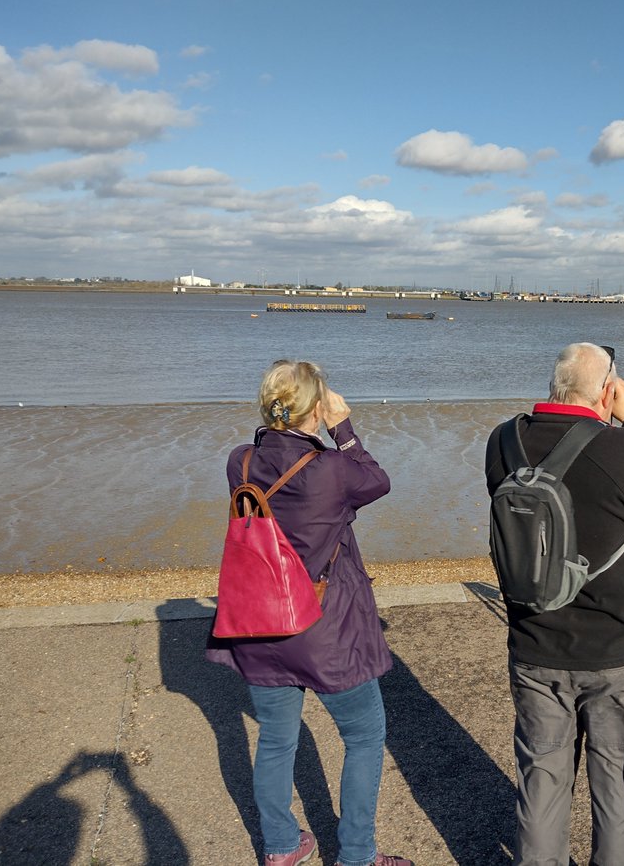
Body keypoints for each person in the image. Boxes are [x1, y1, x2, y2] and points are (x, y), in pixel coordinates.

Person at [484, 343, 624, 865]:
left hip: (535, 644)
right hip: (616, 653)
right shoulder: (620, 449)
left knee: (541, 781)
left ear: (554, 386)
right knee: (622, 787)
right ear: (606, 391)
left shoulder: (503, 441)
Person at [206, 360, 412, 866]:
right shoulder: (334, 470)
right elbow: (377, 480)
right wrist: (342, 427)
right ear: (316, 407)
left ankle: (280, 847)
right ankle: (357, 855)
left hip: (260, 623)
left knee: (276, 738)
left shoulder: (241, 463)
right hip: (327, 629)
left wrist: (316, 417)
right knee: (364, 736)